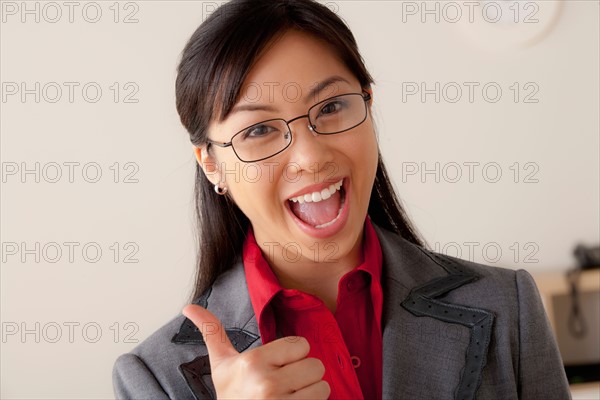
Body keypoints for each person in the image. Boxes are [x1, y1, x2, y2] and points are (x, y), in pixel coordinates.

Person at [112, 1, 571, 399]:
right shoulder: (154, 376)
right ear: (212, 164)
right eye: (258, 130)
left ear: (369, 105)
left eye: (331, 107)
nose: (310, 157)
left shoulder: (508, 307)